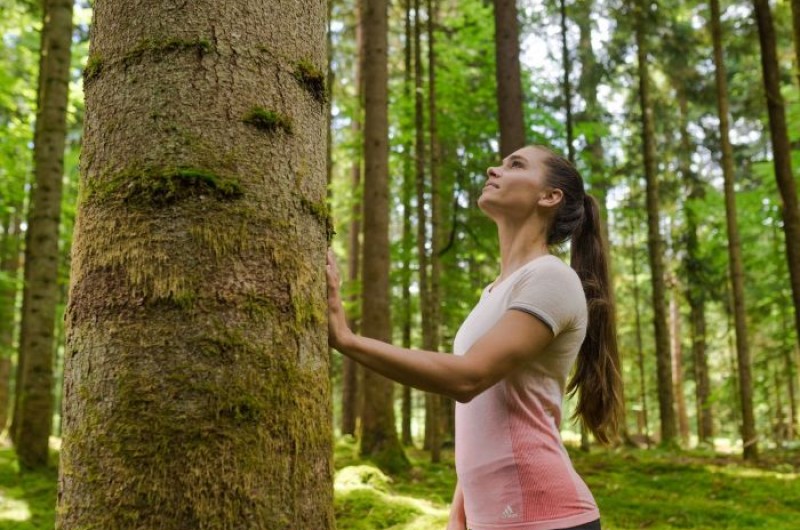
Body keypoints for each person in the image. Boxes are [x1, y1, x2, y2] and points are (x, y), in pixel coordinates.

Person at [326, 145, 622, 530]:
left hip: (545, 517)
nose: (493, 169)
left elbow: (468, 378)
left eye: (515, 165)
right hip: (492, 518)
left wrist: (347, 339)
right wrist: (458, 516)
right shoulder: (495, 291)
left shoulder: (551, 278)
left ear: (549, 197)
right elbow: (485, 417)